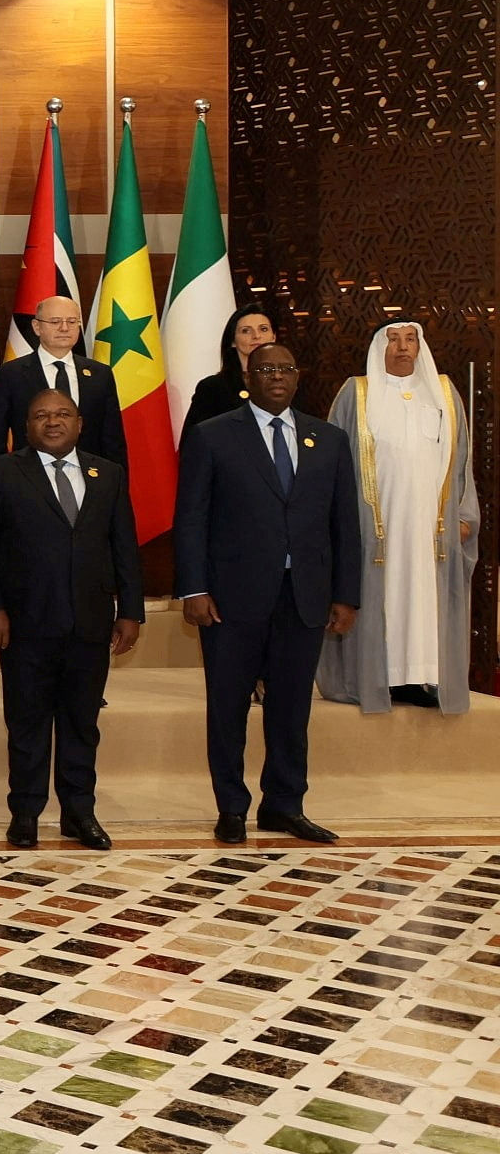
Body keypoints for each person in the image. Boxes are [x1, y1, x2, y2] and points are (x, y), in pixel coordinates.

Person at [174, 342, 362, 845]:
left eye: (284, 368)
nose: (275, 376)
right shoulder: (213, 436)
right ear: (248, 376)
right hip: (230, 599)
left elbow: (345, 523)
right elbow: (191, 519)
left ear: (297, 378)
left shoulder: (329, 439)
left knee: (292, 708)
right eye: (265, 369)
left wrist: (346, 595)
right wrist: (194, 588)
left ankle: (284, 805)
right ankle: (232, 808)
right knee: (228, 707)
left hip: (304, 596)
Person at [0, 389, 142, 851]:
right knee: (27, 722)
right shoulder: (3, 472)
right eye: (41, 415)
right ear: (26, 427)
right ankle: (25, 812)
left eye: (62, 414)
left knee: (82, 723)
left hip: (91, 622)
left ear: (80, 423)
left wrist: (132, 612)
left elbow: (124, 546)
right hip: (24, 623)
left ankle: (79, 812)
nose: (52, 421)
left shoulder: (108, 474)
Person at [319, 322, 478, 715]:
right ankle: (377, 678)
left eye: (411, 339)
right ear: (379, 347)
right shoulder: (356, 394)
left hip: (429, 528)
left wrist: (462, 516)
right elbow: (332, 466)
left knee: (422, 600)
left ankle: (418, 678)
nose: (403, 347)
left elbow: (462, 464)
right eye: (393, 339)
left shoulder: (442, 394)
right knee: (381, 597)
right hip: (377, 528)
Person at [0, 297, 126, 464]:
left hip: (89, 478)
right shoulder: (10, 375)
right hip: (28, 479)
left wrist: (117, 486)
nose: (64, 328)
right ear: (37, 327)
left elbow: (113, 440)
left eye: (72, 321)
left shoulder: (100, 375)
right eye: (55, 321)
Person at [179, 306, 276, 439]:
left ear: (273, 337)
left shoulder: (290, 383)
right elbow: (194, 441)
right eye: (246, 331)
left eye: (263, 329)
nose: (256, 336)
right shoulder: (212, 388)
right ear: (232, 341)